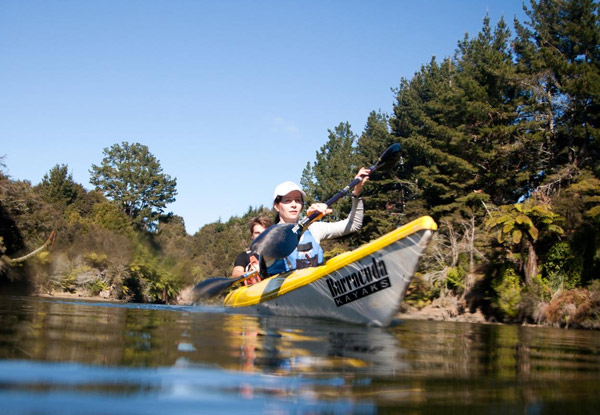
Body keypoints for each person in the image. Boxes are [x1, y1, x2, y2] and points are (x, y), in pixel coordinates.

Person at [265, 167, 370, 275]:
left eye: (297, 200)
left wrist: (357, 194)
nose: (293, 205)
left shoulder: (314, 229)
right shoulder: (270, 236)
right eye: (287, 200)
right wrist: (308, 221)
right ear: (276, 206)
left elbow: (354, 224)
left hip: (317, 288)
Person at [232, 215, 273, 285]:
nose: (261, 236)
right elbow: (236, 274)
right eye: (257, 233)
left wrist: (262, 270)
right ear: (252, 235)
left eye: (264, 233)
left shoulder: (278, 254)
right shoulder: (244, 257)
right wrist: (252, 273)